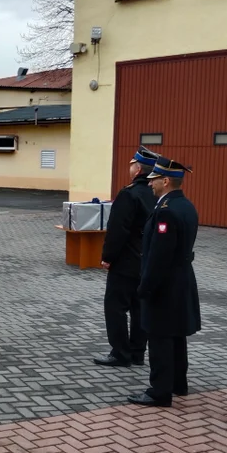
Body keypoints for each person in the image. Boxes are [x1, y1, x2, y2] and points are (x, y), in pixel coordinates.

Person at [128, 155, 200, 407]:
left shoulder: (166, 212)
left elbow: (159, 256)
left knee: (159, 338)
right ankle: (179, 383)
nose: (149, 184)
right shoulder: (186, 206)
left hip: (164, 285)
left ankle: (159, 392)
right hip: (181, 281)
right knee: (177, 335)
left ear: (166, 181)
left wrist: (145, 288)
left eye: (154, 180)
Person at [94, 146, 158, 367]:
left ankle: (121, 353)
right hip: (147, 260)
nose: (129, 166)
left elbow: (118, 230)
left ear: (138, 169)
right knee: (139, 307)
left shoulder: (129, 193)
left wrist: (107, 257)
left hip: (126, 261)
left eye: (132, 163)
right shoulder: (156, 193)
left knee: (116, 307)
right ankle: (138, 353)